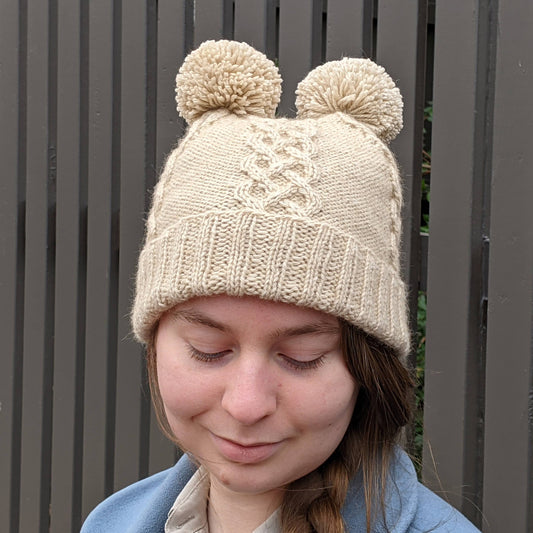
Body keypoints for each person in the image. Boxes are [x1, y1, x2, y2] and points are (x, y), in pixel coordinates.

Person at [81, 40, 480, 533]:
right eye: (208, 349)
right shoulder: (110, 523)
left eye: (302, 357)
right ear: (156, 341)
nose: (246, 406)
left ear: (367, 370)